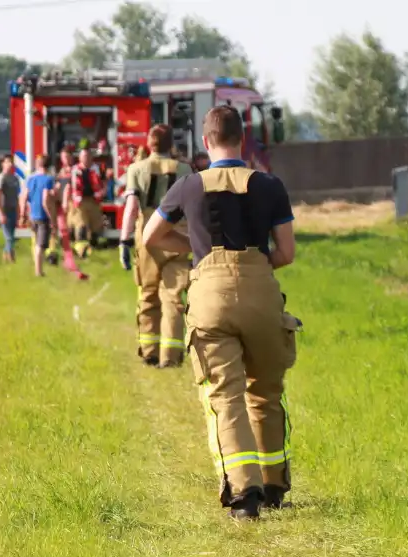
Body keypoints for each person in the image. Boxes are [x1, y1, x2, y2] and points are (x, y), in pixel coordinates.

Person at [142, 106, 300, 521]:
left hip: (208, 292)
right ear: (242, 140)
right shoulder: (270, 185)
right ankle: (274, 485)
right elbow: (286, 252)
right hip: (262, 294)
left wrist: (194, 250)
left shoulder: (187, 186)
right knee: (265, 391)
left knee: (225, 396)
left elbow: (149, 236)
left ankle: (244, 495)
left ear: (205, 141)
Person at [119, 124, 195, 368]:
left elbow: (131, 208)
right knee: (173, 297)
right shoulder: (185, 169)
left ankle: (149, 351)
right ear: (171, 144)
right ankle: (170, 356)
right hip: (178, 238)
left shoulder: (136, 169)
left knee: (148, 295)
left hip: (148, 241)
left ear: (149, 144)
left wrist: (123, 239)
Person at [19, 154, 57, 277]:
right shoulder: (48, 179)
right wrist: (51, 218)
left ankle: (38, 268)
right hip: (42, 216)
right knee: (41, 245)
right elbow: (45, 199)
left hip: (32, 215)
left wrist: (22, 214)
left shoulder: (31, 179)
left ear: (37, 164)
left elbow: (24, 196)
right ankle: (38, 271)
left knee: (36, 243)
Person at [69, 148, 104, 259]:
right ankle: (81, 251)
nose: (86, 159)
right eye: (84, 156)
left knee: (95, 225)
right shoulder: (75, 170)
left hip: (94, 200)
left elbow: (103, 181)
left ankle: (93, 247)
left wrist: (102, 192)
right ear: (80, 158)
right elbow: (73, 185)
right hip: (80, 201)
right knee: (81, 225)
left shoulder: (97, 169)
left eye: (88, 156)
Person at [0, 154, 22, 263]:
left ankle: (5, 256)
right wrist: (0, 213)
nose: (10, 164)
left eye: (11, 162)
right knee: (9, 237)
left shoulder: (15, 178)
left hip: (13, 209)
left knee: (11, 237)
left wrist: (19, 213)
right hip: (4, 210)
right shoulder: (1, 178)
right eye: (7, 162)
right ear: (3, 164)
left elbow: (17, 197)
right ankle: (11, 259)